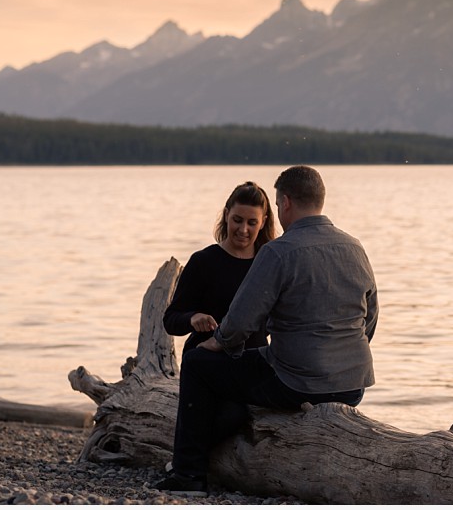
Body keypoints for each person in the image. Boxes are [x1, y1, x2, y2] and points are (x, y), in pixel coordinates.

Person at [155, 165, 379, 497]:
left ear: (285, 203)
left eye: (274, 205)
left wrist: (215, 345)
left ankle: (188, 474)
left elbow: (240, 322)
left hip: (297, 383)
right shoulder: (354, 247)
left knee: (199, 364)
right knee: (252, 372)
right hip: (353, 386)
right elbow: (370, 317)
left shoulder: (279, 252)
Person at [163, 181, 276, 357]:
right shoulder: (203, 261)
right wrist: (193, 318)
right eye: (237, 220)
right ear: (226, 215)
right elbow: (170, 320)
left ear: (263, 223)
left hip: (254, 364)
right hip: (205, 362)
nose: (243, 229)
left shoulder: (270, 264)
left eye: (252, 222)